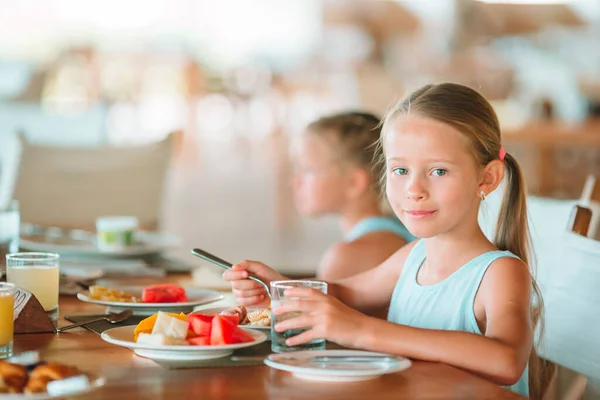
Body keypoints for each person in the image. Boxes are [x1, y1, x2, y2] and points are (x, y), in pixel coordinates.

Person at [224, 83, 549, 398]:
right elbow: (347, 292)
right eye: (400, 170)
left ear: (487, 178)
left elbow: (506, 361)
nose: (414, 189)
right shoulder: (414, 256)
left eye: (438, 171)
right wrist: (280, 290)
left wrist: (362, 330)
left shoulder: (499, 272)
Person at [291, 111, 414, 281]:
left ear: (354, 183)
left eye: (308, 170)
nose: (295, 181)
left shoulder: (348, 257)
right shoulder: (396, 229)